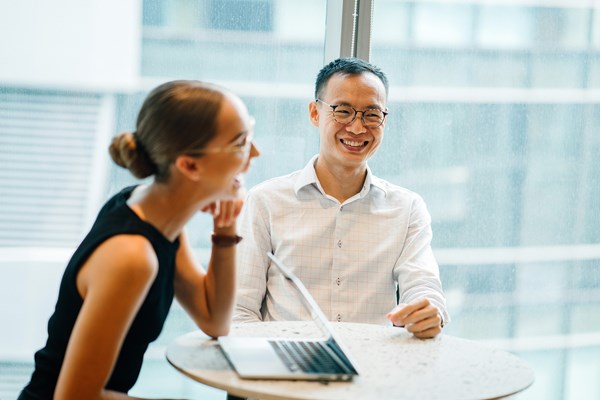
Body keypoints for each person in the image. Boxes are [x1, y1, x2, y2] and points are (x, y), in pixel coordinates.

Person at [18, 80, 259, 400]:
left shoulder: (153, 213)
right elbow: (74, 397)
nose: (255, 152)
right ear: (189, 165)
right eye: (240, 143)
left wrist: (225, 228)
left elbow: (215, 320)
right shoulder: (132, 256)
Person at [234, 57, 449, 339]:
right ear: (315, 113)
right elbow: (239, 309)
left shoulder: (407, 208)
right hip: (285, 371)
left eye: (372, 115)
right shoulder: (265, 201)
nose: (358, 128)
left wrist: (428, 312)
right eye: (343, 111)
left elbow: (423, 286)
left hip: (373, 370)